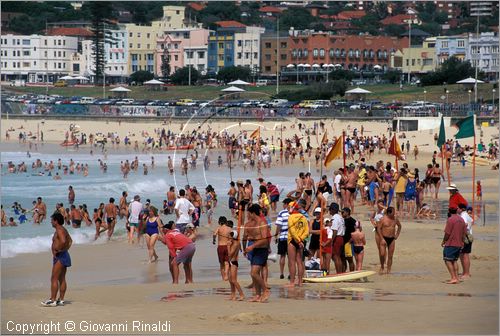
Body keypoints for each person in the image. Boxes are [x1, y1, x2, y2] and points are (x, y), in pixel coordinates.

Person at [41, 212, 72, 307]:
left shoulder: (59, 230)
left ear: (56, 221)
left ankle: (53, 300)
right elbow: (70, 241)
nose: (51, 222)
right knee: (61, 278)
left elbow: (63, 241)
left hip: (61, 256)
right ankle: (61, 300)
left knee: (54, 278)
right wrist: (65, 249)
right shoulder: (63, 229)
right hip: (64, 254)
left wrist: (59, 250)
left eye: (52, 220)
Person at [242, 204, 270, 302]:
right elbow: (244, 238)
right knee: (255, 273)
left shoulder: (262, 223)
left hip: (261, 250)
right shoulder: (248, 224)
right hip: (253, 250)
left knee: (253, 273)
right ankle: (257, 295)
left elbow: (265, 240)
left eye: (248, 213)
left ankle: (265, 290)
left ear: (252, 213)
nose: (247, 215)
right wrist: (244, 248)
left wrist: (252, 246)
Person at [286, 201, 309, 287]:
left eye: (289, 207)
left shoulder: (291, 217)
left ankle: (292, 282)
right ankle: (300, 282)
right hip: (301, 241)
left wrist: (298, 240)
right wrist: (301, 240)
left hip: (293, 241)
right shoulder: (303, 217)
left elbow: (292, 231)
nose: (288, 209)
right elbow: (306, 231)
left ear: (293, 208)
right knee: (300, 262)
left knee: (292, 262)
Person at [441, 207, 467, 284]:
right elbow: (464, 233)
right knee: (454, 260)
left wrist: (443, 241)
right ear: (456, 211)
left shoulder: (450, 219)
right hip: (459, 243)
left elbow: (447, 233)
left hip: (451, 243)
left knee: (447, 260)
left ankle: (453, 278)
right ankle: (456, 277)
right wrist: (462, 241)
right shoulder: (461, 219)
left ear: (449, 211)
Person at [377, 207, 401, 274]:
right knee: (382, 254)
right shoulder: (383, 219)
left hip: (392, 239)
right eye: (393, 212)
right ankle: (382, 267)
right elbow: (378, 229)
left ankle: (389, 270)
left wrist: (397, 235)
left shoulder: (395, 219)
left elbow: (399, 226)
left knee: (390, 256)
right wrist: (381, 238)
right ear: (389, 213)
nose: (394, 214)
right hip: (384, 238)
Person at [274, 198, 291, 280]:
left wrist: (276, 235)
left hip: (283, 237)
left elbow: (279, 225)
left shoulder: (282, 213)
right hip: (291, 237)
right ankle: (290, 273)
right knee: (291, 257)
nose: (283, 205)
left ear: (286, 204)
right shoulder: (293, 212)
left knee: (282, 256)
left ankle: (281, 273)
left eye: (284, 204)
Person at [227, 230, 245, 301]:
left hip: (233, 263)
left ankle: (241, 294)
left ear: (232, 237)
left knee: (234, 280)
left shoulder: (234, 244)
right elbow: (240, 249)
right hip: (231, 262)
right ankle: (233, 294)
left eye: (229, 236)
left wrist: (228, 246)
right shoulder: (237, 243)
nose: (228, 237)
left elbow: (230, 254)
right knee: (230, 280)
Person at [213, 216, 231, 281]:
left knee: (221, 263)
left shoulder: (218, 228)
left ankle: (223, 278)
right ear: (226, 221)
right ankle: (226, 274)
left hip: (220, 246)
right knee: (226, 262)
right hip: (227, 246)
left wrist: (214, 240)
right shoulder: (229, 228)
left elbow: (214, 234)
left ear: (219, 222)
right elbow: (231, 238)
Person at [458, 204, 473, 280]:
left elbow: (465, 225)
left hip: (466, 236)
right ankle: (465, 272)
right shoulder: (466, 215)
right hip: (468, 235)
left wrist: (462, 237)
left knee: (464, 255)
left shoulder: (463, 215)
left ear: (461, 209)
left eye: (458, 208)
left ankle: (466, 273)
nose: (457, 209)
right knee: (463, 255)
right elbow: (470, 222)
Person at [329, 202, 345, 274]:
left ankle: (339, 273)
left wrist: (331, 241)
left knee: (336, 257)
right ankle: (340, 272)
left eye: (330, 209)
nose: (329, 211)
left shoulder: (334, 218)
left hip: (337, 238)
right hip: (341, 237)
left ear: (332, 210)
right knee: (338, 257)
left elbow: (334, 231)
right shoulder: (340, 217)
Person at [341, 207, 356, 272]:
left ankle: (352, 273)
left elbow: (357, 230)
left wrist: (352, 238)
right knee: (343, 258)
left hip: (349, 242)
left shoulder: (352, 221)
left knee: (350, 259)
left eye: (343, 212)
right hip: (342, 241)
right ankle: (343, 273)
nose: (341, 214)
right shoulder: (342, 220)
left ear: (347, 212)